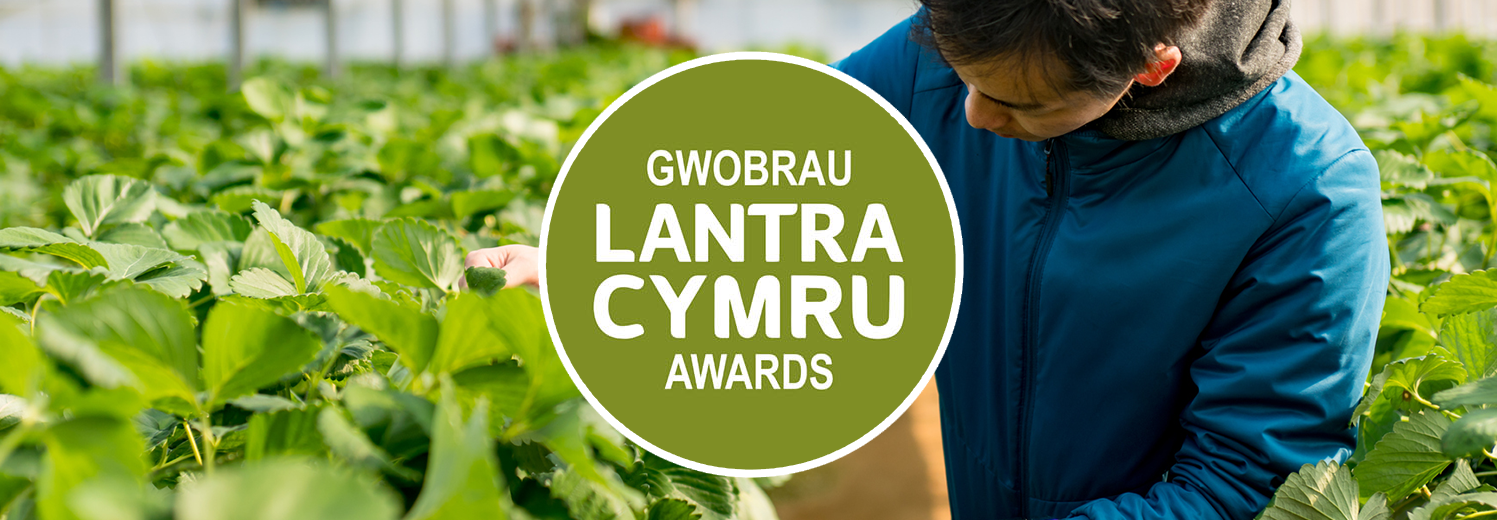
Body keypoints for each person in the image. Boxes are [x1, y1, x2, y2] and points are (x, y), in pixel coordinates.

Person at [467, 0, 1389, 518]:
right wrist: (585, 263)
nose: (974, 118)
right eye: (960, 79)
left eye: (1018, 106)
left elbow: (1244, 487)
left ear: (1148, 67)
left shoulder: (1301, 193)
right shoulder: (945, 52)